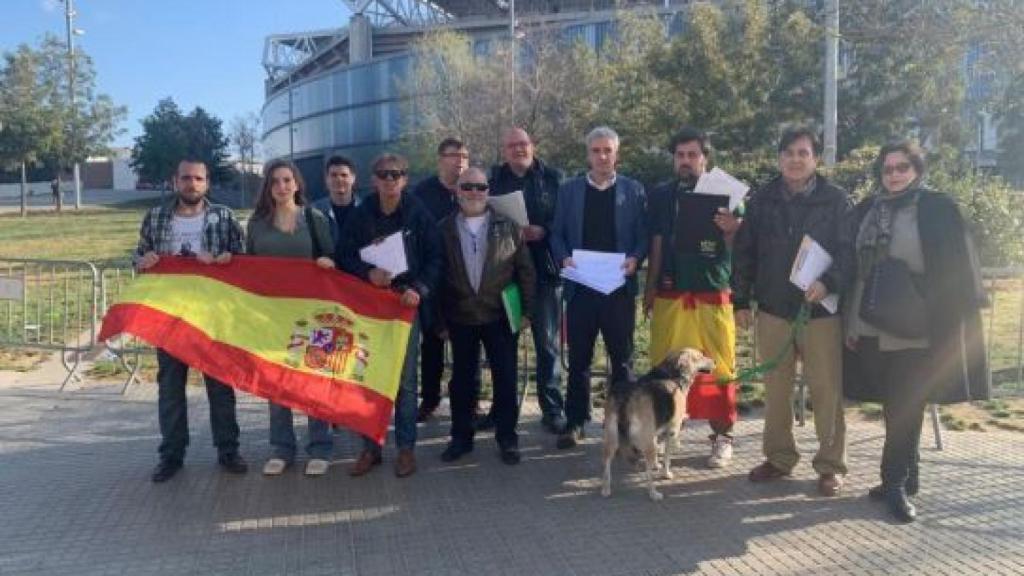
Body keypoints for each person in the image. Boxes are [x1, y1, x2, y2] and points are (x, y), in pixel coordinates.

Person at [842, 140, 989, 522]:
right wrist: (851, 323)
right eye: (887, 168)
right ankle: (910, 477)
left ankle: (893, 482)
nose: (894, 175)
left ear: (917, 169)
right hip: (872, 319)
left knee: (906, 404)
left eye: (901, 167)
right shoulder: (867, 210)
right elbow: (855, 270)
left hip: (916, 323)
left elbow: (957, 264)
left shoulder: (936, 207)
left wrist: (950, 316)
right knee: (896, 405)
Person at [732, 127, 849, 497]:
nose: (795, 160)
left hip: (820, 312)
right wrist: (740, 300)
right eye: (788, 153)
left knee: (825, 390)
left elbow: (849, 252)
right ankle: (780, 458)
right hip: (773, 310)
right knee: (776, 389)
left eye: (803, 152)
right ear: (779, 158)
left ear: (815, 157)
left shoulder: (836, 200)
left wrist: (829, 282)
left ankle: (830, 465)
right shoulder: (762, 199)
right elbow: (745, 253)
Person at [133, 158, 248, 483]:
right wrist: (144, 260)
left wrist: (227, 259)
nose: (191, 184)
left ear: (207, 183)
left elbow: (242, 258)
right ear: (175, 181)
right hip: (170, 317)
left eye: (198, 179)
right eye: (186, 178)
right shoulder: (155, 217)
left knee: (220, 387)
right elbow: (137, 255)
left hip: (213, 318)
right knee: (170, 388)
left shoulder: (223, 216)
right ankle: (171, 454)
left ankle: (228, 450)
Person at [337, 153, 442, 478]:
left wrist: (420, 289)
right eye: (383, 175)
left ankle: (406, 449)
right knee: (369, 378)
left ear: (405, 179)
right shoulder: (361, 213)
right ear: (373, 180)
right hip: (368, 308)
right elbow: (343, 255)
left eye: (395, 175)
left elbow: (436, 258)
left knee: (406, 383)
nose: (389, 180)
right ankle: (371, 448)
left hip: (403, 307)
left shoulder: (418, 213)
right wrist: (367, 273)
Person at [644, 127, 742, 469]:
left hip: (712, 294)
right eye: (680, 155)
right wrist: (650, 286)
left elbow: (739, 248)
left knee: (719, 367)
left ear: (705, 158)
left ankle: (723, 437)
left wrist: (734, 230)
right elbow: (656, 241)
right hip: (671, 294)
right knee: (665, 366)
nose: (686, 161)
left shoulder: (728, 193)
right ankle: (665, 429)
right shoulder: (660, 195)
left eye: (692, 155)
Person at [550, 126, 647, 449]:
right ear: (588, 154)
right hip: (581, 289)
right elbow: (556, 234)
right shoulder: (569, 191)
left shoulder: (634, 191)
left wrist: (635, 258)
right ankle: (576, 421)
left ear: (617, 154)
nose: (602, 156)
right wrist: (563, 258)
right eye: (596, 151)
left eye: (608, 150)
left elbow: (643, 236)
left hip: (618, 289)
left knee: (623, 360)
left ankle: (624, 424)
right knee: (578, 360)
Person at [436, 167, 536, 465]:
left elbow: (525, 272)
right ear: (457, 191)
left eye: (481, 187)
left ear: (488, 191)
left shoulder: (509, 227)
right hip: (461, 314)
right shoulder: (444, 228)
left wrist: (528, 312)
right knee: (462, 383)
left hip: (499, 315)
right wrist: (439, 319)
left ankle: (508, 438)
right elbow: (437, 275)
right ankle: (460, 439)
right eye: (468, 187)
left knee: (505, 379)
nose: (475, 193)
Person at [247, 159, 337, 477]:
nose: (282, 187)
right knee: (276, 382)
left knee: (315, 380)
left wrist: (328, 261)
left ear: (297, 184)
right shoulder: (257, 224)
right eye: (275, 182)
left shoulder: (314, 219)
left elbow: (332, 258)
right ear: (268, 188)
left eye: (287, 180)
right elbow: (249, 268)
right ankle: (282, 448)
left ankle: (321, 447)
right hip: (272, 316)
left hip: (314, 315)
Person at [489, 128, 566, 434]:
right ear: (504, 151)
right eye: (511, 145)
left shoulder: (554, 178)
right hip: (506, 274)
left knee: (547, 345)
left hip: (545, 272)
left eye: (523, 144)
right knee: (502, 347)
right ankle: (501, 410)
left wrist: (543, 230)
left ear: (533, 146)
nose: (518, 149)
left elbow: (565, 218)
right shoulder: (493, 181)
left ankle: (552, 408)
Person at [412, 138, 470, 422]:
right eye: (453, 156)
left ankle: (469, 398)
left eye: (464, 156)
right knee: (432, 343)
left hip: (466, 278)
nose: (459, 161)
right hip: (431, 278)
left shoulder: (473, 189)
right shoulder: (421, 193)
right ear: (440, 159)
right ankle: (430, 398)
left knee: (467, 343)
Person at [311, 154, 359, 245]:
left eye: (344, 175)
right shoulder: (313, 212)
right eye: (334, 175)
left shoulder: (366, 209)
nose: (339, 179)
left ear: (353, 178)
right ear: (326, 179)